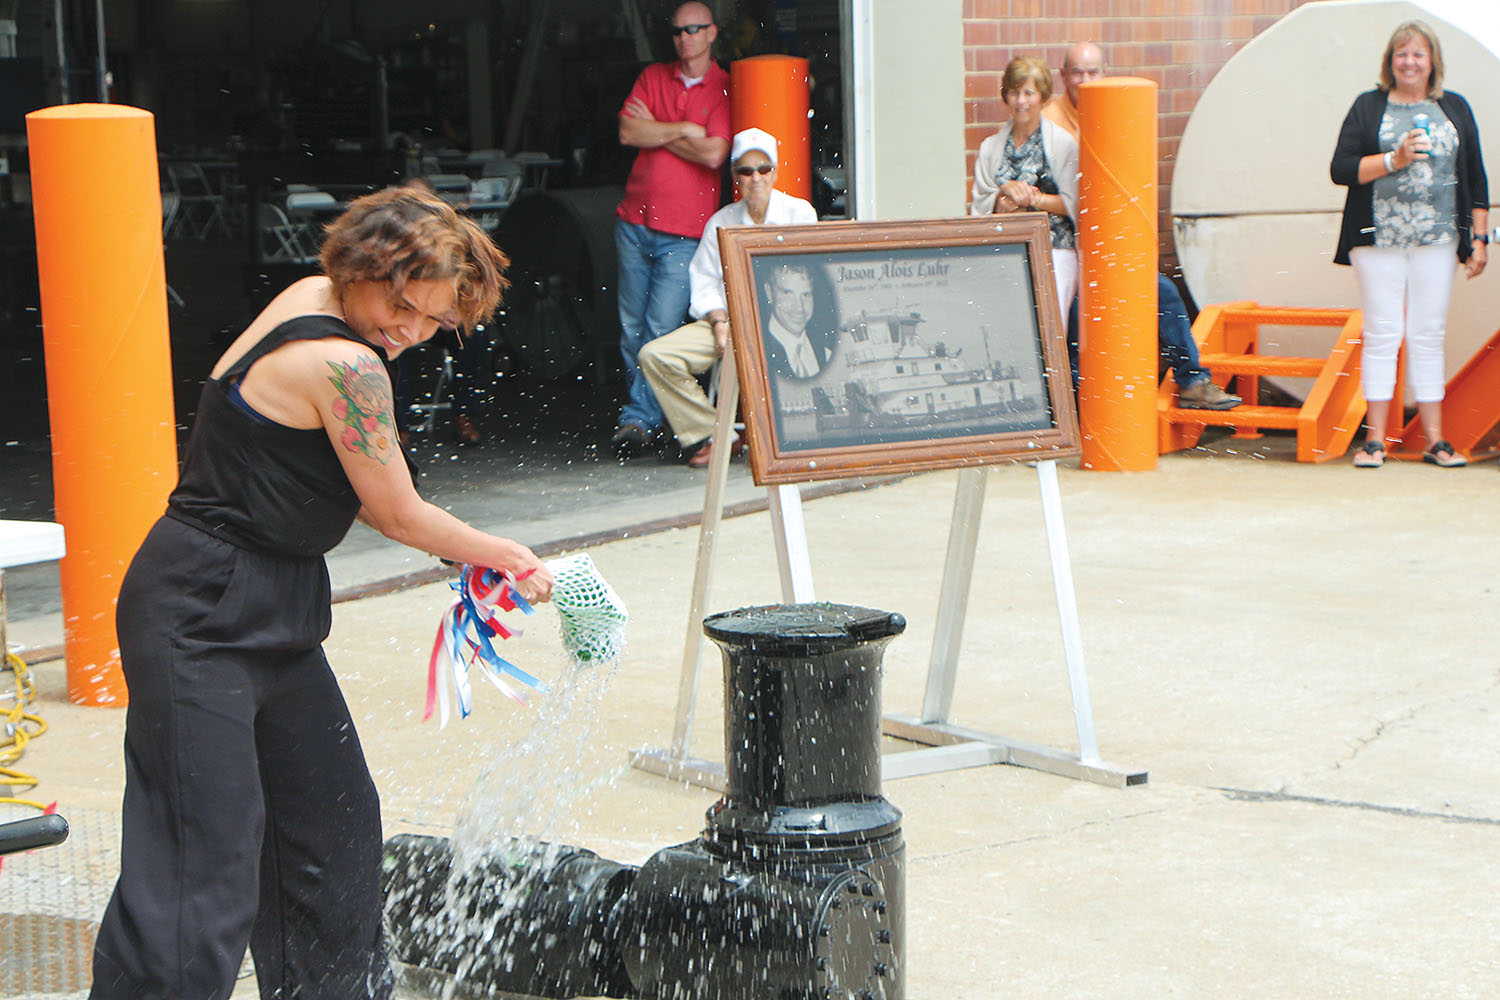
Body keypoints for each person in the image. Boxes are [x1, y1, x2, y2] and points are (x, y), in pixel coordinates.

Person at [88, 185, 555, 1000]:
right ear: (363, 268)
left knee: (331, 835)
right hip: (198, 611)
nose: (409, 332)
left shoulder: (318, 295)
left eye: (434, 322)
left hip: (278, 611)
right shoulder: (345, 361)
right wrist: (510, 556)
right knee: (203, 866)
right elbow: (399, 515)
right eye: (402, 305)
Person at [1042, 42, 1241, 410]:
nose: (1085, 80)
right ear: (1063, 76)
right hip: (1069, 248)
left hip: (1109, 245)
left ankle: (1193, 382)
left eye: (1093, 72)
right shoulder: (1051, 122)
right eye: (1077, 73)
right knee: (1075, 319)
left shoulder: (1117, 107)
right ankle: (1075, 410)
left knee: (1161, 291)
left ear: (1104, 72)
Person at [1331, 19, 1488, 468]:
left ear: (1432, 61)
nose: (1410, 62)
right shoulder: (1368, 106)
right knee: (1383, 333)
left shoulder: (1453, 107)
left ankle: (1435, 440)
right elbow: (1341, 169)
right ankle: (1375, 441)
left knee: (1428, 335)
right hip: (1377, 237)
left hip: (1438, 239)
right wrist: (1391, 160)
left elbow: (1476, 178)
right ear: (1390, 61)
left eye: (1418, 54)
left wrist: (1478, 239)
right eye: (1402, 54)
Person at [639, 127, 817, 468]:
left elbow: (809, 278)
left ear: (775, 172)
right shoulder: (722, 220)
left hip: (786, 323)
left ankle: (777, 436)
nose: (755, 178)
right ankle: (716, 433)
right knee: (655, 355)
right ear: (735, 176)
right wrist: (720, 321)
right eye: (745, 171)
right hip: (728, 320)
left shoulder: (800, 214)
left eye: (763, 169)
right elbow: (703, 280)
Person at [611, 1, 732, 457]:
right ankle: (642, 416)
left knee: (658, 331)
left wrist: (655, 129)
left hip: (683, 232)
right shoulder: (653, 76)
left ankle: (638, 419)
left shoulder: (723, 86)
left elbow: (714, 154)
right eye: (678, 31)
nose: (684, 38)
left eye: (694, 30)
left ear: (712, 33)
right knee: (631, 330)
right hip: (633, 221)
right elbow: (627, 132)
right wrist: (683, 127)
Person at [969, 56, 1080, 324]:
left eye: (1029, 93)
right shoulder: (990, 147)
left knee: (1049, 329)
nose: (1021, 101)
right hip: (1005, 252)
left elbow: (1074, 203)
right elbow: (981, 204)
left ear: (1042, 97)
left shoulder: (1063, 145)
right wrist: (1001, 200)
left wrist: (1035, 198)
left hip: (1054, 251)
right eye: (1014, 92)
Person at [761, 261, 834, 380]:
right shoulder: (760, 350)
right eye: (787, 293)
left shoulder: (825, 352)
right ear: (769, 292)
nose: (799, 307)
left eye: (806, 295)